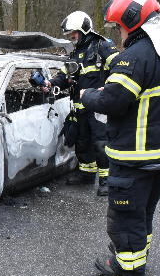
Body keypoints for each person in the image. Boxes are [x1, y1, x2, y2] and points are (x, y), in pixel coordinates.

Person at [80, 0, 160, 276]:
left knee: (125, 215)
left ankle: (127, 267)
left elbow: (111, 101)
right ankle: (136, 254)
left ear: (131, 20)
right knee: (143, 212)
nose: (119, 32)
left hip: (134, 154)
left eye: (119, 26)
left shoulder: (136, 56)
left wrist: (87, 94)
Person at [43, 11, 119, 196]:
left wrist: (109, 89)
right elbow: (63, 75)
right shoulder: (75, 53)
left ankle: (107, 180)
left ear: (83, 29)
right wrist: (51, 83)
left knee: (101, 144)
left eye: (73, 33)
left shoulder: (102, 46)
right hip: (80, 107)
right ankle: (86, 174)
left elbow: (120, 68)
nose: (71, 37)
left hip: (99, 108)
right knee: (82, 142)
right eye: (69, 35)